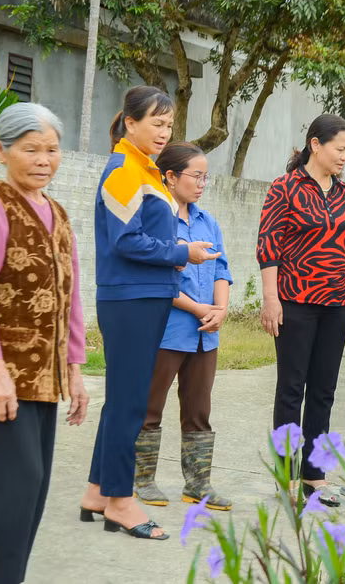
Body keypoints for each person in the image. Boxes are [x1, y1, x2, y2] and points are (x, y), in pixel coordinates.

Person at [0, 102, 90, 584]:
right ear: (1, 150)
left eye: (52, 149)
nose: (44, 159)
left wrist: (74, 367)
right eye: (31, 149)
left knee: (26, 501)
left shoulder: (56, 212)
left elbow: (71, 295)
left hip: (41, 384)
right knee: (3, 505)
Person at [80, 86, 220, 541]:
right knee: (130, 403)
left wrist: (180, 253)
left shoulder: (146, 171)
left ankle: (98, 491)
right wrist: (182, 251)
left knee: (122, 399)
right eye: (156, 123)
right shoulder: (124, 170)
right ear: (130, 122)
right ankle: (121, 502)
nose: (164, 132)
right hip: (130, 298)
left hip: (143, 296)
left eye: (169, 124)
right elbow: (126, 241)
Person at [257, 113, 345, 506]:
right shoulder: (285, 188)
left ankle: (314, 473)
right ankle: (287, 476)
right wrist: (271, 297)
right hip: (295, 301)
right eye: (340, 149)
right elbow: (268, 246)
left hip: (336, 305)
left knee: (324, 391)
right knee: (292, 389)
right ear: (316, 144)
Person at [133, 142, 233, 511]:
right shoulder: (156, 220)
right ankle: (141, 480)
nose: (202, 183)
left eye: (206, 176)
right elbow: (156, 275)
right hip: (169, 327)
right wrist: (197, 308)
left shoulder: (208, 222)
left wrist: (220, 310)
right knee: (150, 405)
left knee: (199, 409)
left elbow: (222, 270)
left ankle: (198, 483)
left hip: (206, 333)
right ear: (170, 177)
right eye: (196, 175)